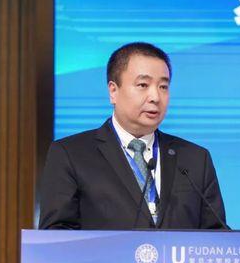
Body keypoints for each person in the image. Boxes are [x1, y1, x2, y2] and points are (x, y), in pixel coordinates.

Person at [39, 42, 227, 231]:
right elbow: (57, 234)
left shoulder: (195, 159)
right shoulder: (71, 154)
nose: (155, 97)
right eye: (143, 85)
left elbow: (217, 237)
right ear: (113, 91)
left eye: (163, 86)